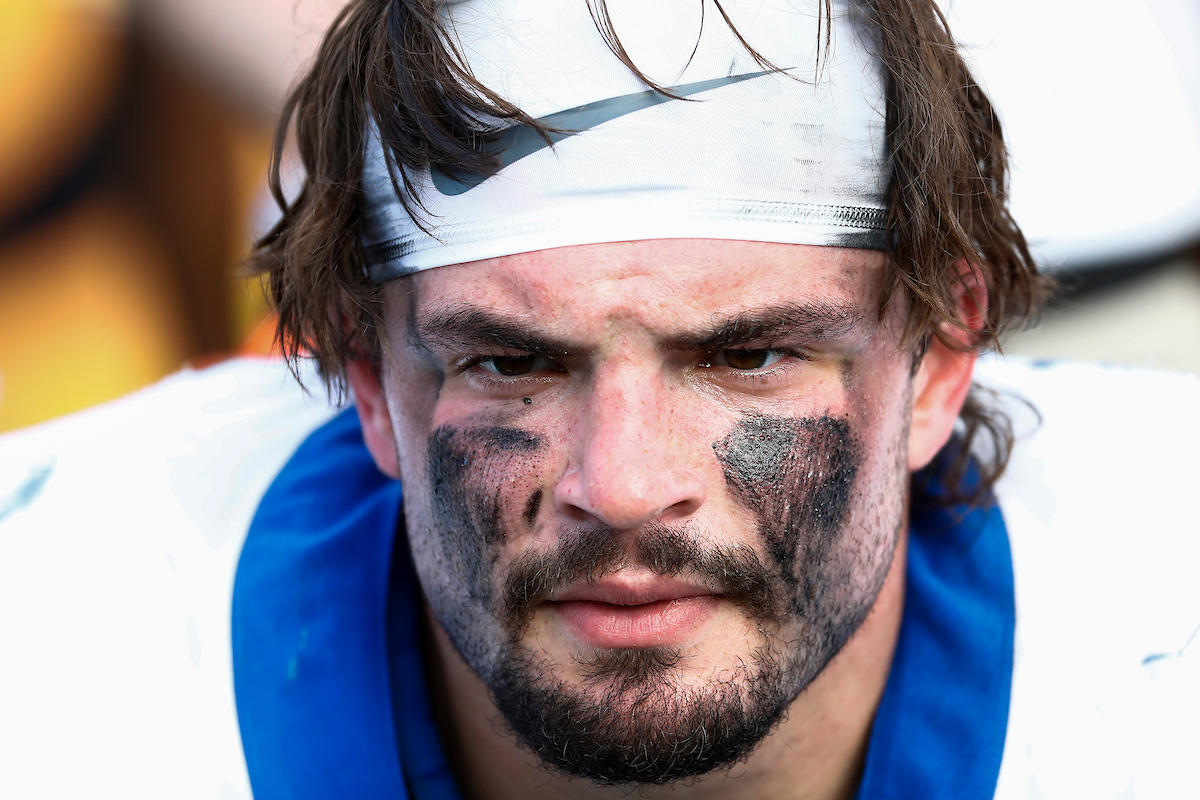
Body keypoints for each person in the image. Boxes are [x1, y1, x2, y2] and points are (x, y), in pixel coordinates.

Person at [1, 1, 1198, 798]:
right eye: (510, 362)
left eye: (747, 355)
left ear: (941, 357)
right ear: (365, 375)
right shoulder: (52, 675)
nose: (621, 484)